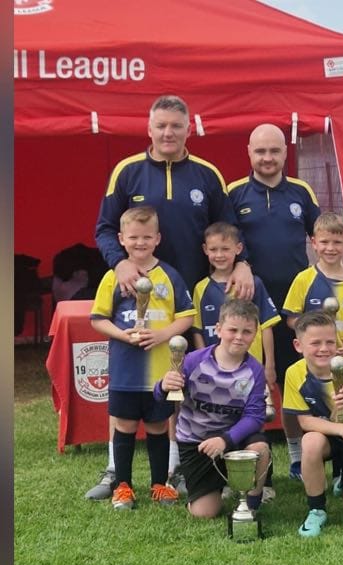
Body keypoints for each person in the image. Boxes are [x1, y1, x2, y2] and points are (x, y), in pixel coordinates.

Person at [87, 94, 254, 500]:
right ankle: (116, 472)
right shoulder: (126, 172)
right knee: (128, 390)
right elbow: (106, 229)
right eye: (161, 125)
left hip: (188, 300)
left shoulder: (206, 174)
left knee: (184, 384)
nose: (168, 133)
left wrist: (243, 263)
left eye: (176, 126)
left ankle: (178, 469)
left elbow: (228, 230)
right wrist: (119, 265)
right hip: (136, 302)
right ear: (149, 128)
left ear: (188, 128)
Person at [228, 123, 321, 478]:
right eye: (260, 151)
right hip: (249, 304)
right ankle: (246, 455)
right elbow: (225, 242)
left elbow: (323, 234)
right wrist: (243, 264)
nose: (267, 158)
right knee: (246, 382)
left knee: (294, 381)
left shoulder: (301, 190)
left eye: (274, 151)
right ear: (249, 152)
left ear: (285, 152)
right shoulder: (234, 193)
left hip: (296, 306)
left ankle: (298, 456)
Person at [90, 206, 196, 510]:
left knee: (158, 427)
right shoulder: (113, 277)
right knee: (124, 425)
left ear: (158, 238)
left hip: (161, 373)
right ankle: (122, 486)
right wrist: (125, 336)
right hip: (125, 369)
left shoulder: (169, 275)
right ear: (121, 239)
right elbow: (98, 319)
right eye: (134, 237)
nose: (140, 243)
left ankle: (159, 485)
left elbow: (186, 316)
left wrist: (161, 335)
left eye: (147, 237)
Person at [155, 299, 270, 519]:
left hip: (232, 439)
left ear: (255, 334)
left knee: (260, 447)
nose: (239, 336)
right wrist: (163, 386)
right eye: (232, 330)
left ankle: (251, 507)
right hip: (196, 443)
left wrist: (225, 440)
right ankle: (203, 486)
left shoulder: (255, 370)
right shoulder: (193, 361)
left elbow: (255, 417)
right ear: (218, 329)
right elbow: (160, 398)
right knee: (205, 513)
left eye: (247, 332)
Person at [192, 221, 280, 501]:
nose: (219, 255)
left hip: (250, 371)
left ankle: (261, 481)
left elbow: (266, 325)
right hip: (215, 372)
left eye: (226, 249)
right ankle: (221, 474)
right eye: (214, 249)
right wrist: (199, 365)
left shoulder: (253, 283)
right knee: (218, 417)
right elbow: (196, 330)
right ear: (205, 250)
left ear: (238, 249)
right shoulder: (200, 288)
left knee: (255, 419)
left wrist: (269, 365)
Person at [283, 211, 343, 487]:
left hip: (341, 358)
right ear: (313, 243)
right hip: (314, 357)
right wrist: (317, 331)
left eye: (337, 242)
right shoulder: (304, 279)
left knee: (341, 407)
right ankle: (299, 456)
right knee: (306, 408)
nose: (330, 248)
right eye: (324, 242)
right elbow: (291, 317)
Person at [283, 311, 343, 538]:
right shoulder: (294, 373)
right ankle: (316, 509)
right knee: (311, 441)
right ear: (298, 345)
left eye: (330, 342)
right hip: (327, 436)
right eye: (315, 343)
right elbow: (304, 421)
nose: (324, 348)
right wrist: (341, 429)